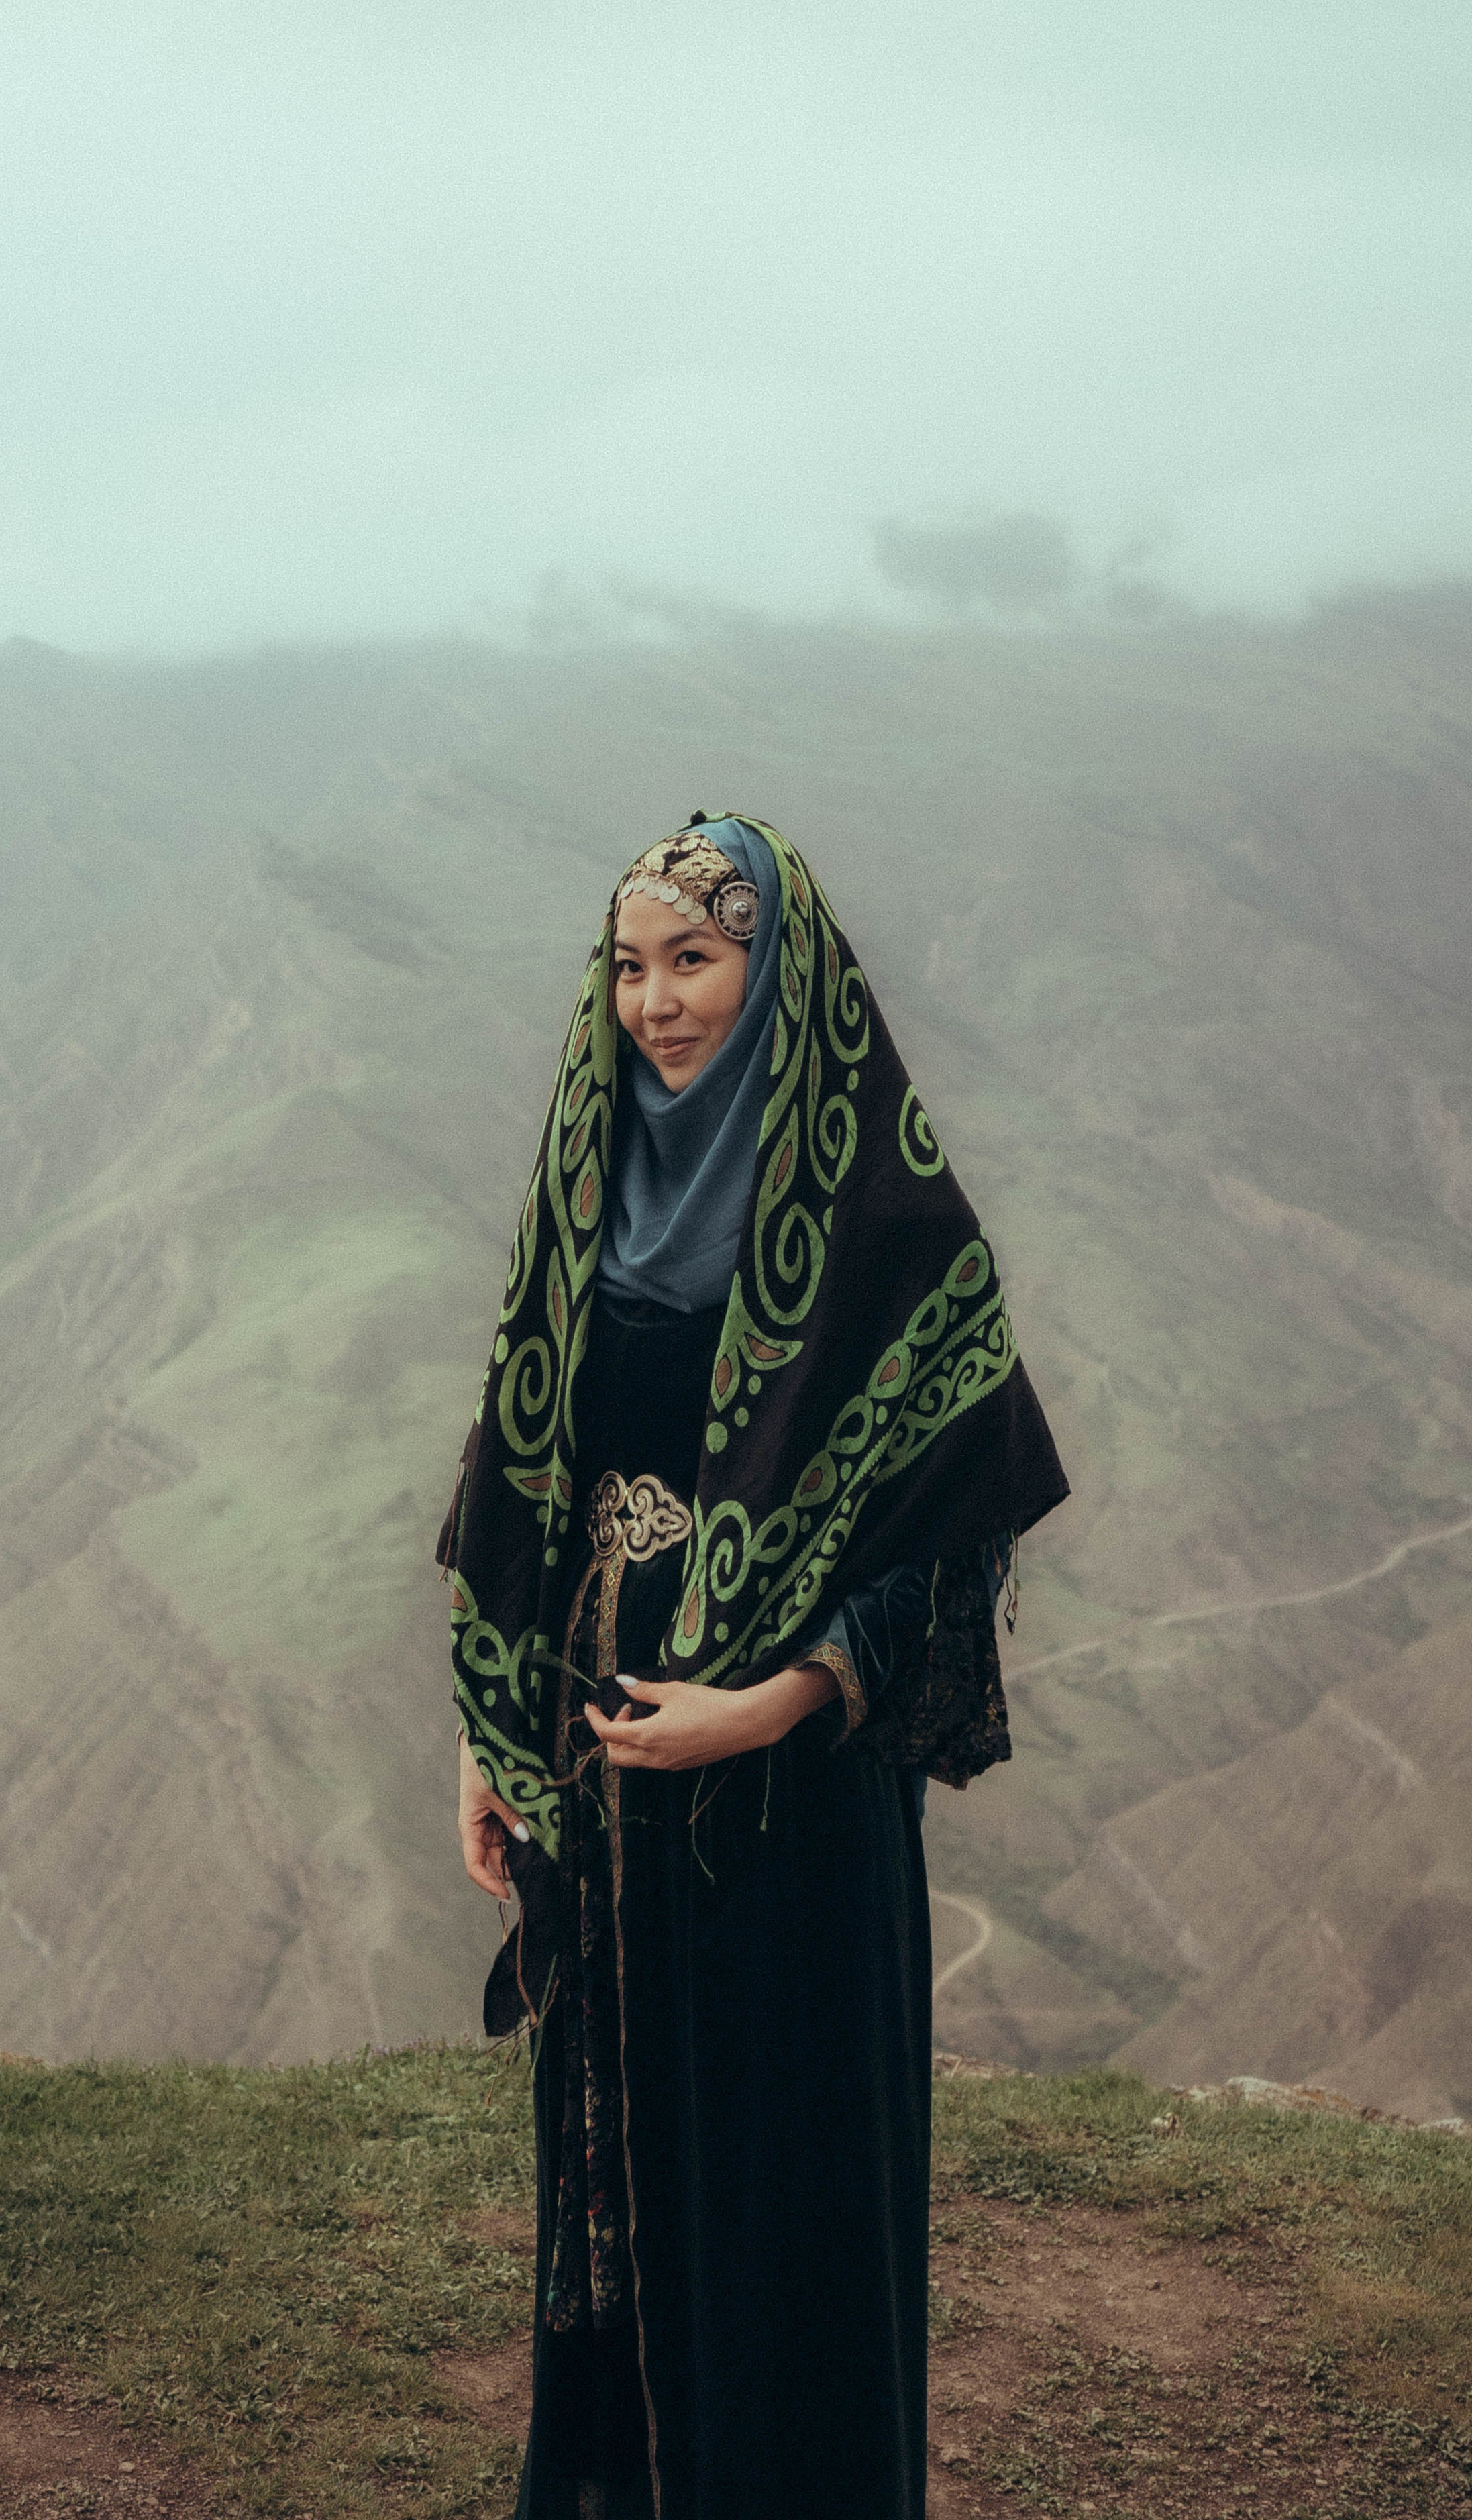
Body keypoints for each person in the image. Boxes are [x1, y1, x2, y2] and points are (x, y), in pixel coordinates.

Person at [439, 817, 1068, 2520]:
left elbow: (952, 1537)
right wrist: (502, 1748)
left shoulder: (882, 1221)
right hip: (608, 1793)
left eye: (694, 959)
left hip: (788, 1821)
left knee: (782, 2211)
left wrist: (770, 1702)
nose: (653, 1002)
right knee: (620, 2204)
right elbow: (532, 1497)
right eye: (629, 965)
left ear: (778, 969)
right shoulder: (589, 1196)